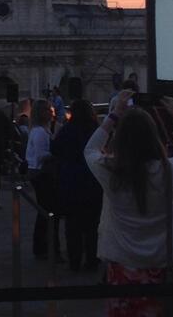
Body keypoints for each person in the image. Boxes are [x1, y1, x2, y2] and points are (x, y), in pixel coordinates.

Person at [84, 90, 173, 317]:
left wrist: (115, 115)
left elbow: (89, 149)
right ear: (154, 136)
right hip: (164, 267)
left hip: (122, 267)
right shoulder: (168, 171)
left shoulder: (109, 171)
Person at [52, 99, 102, 271]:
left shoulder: (67, 130)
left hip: (70, 180)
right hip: (92, 180)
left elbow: (55, 149)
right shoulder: (95, 130)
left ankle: (74, 260)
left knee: (72, 225)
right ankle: (92, 259)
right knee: (92, 226)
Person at [26, 99, 61, 259]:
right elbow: (41, 156)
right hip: (41, 173)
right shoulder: (40, 132)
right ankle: (43, 247)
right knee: (46, 211)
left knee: (44, 211)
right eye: (48, 110)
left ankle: (40, 247)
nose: (52, 112)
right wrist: (58, 153)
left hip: (39, 172)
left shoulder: (40, 130)